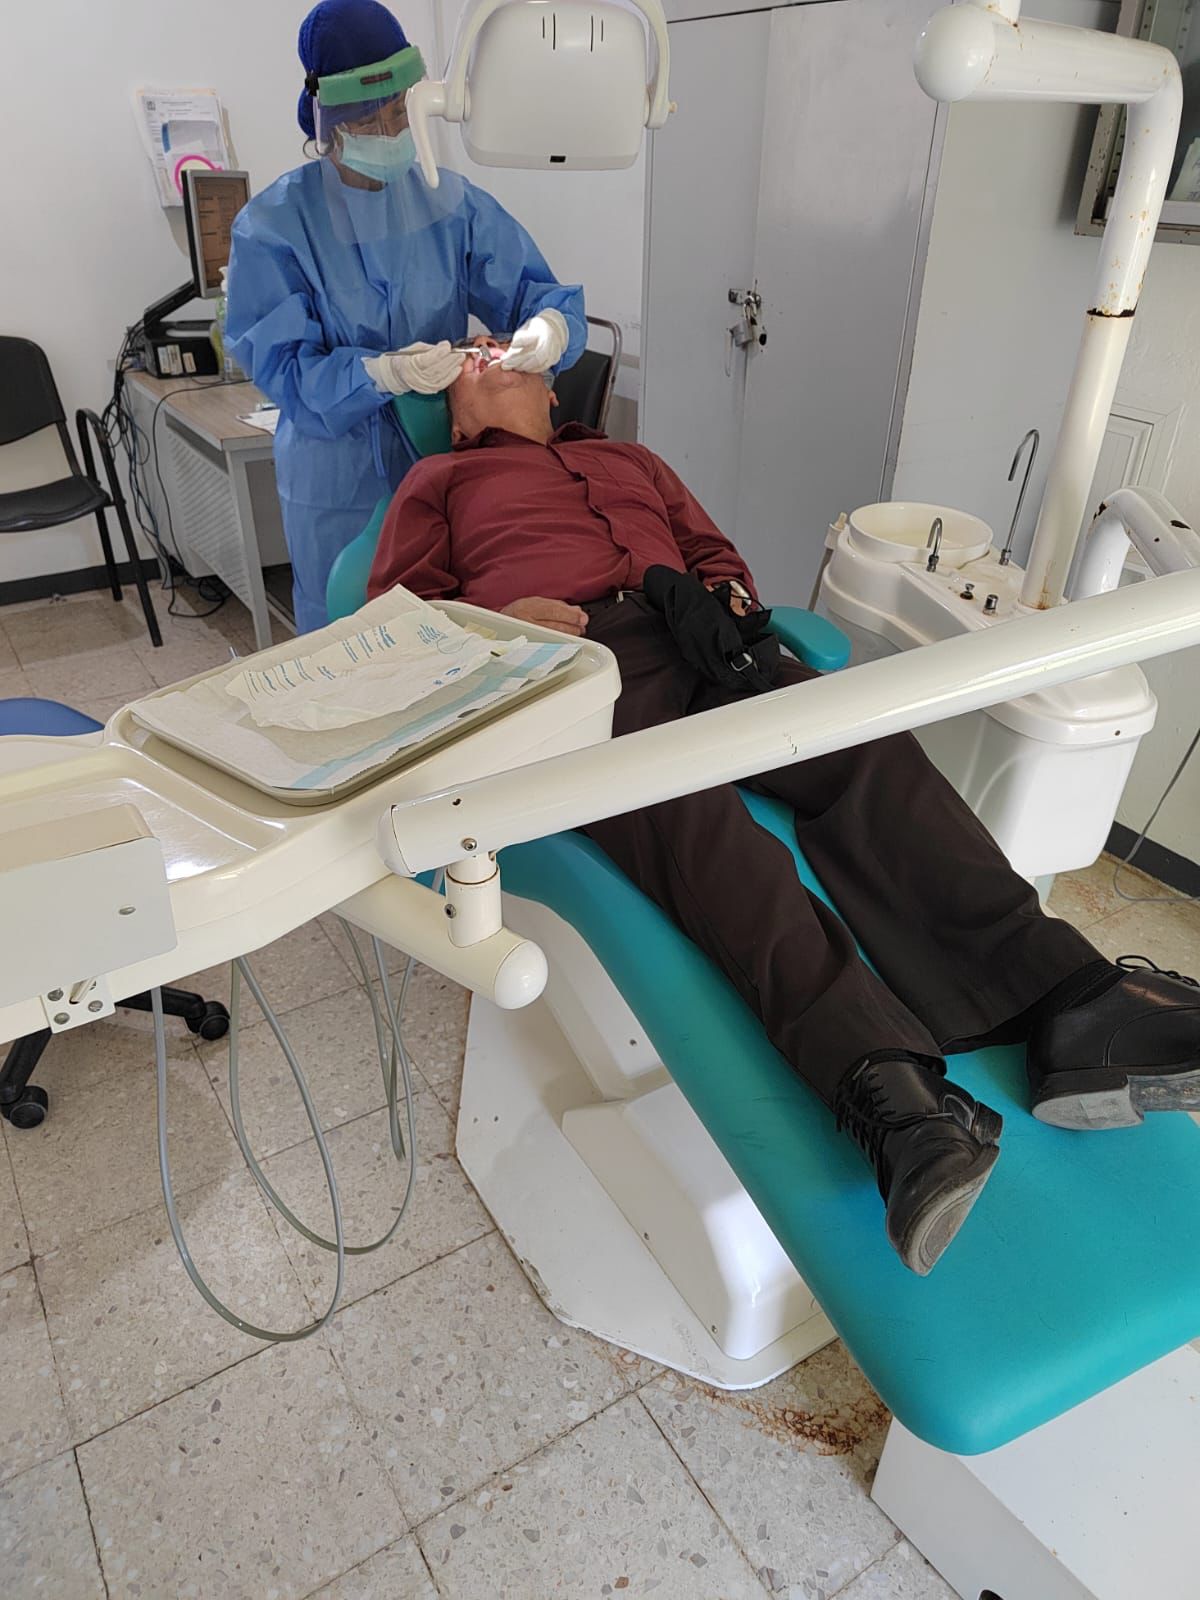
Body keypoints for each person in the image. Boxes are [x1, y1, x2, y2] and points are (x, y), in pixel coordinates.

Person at [367, 348, 1200, 1275]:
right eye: (471, 360)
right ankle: (892, 1096)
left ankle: (1066, 1003)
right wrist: (503, 626)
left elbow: (713, 554)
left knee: (868, 752)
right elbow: (397, 625)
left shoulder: (632, 461)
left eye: (507, 352)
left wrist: (724, 595)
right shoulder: (436, 483)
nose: (488, 354)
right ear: (452, 411)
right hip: (574, 670)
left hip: (705, 638)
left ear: (552, 389)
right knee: (702, 827)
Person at [225, 0, 585, 634]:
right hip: (338, 476)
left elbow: (537, 292)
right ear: (328, 122)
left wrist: (551, 328)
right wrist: (379, 374)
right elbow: (284, 367)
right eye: (370, 119)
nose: (390, 130)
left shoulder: (451, 203)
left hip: (444, 462)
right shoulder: (274, 227)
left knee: (453, 629)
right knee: (346, 636)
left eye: (399, 111)